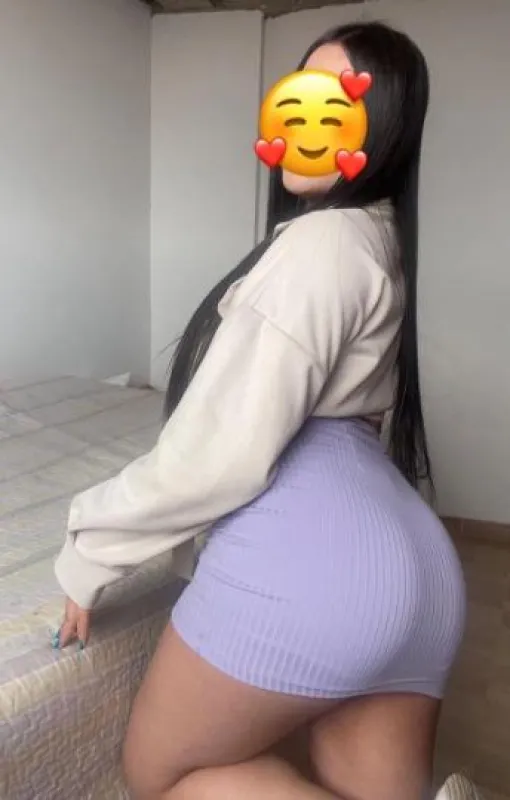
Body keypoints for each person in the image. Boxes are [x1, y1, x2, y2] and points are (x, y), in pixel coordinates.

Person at [54, 21, 471, 800]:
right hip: (417, 569)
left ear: (380, 130)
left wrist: (91, 550)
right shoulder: (377, 241)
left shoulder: (323, 246)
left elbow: (214, 454)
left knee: (162, 774)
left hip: (319, 572)